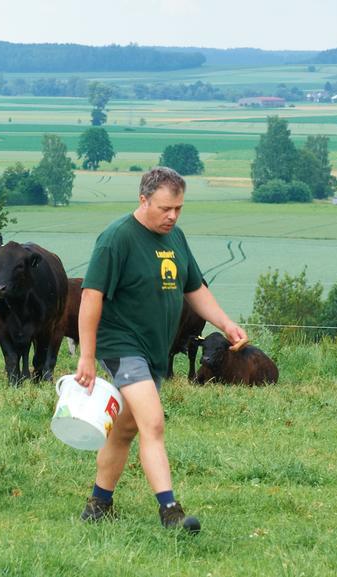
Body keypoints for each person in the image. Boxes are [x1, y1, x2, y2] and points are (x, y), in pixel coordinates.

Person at [73, 167, 246, 533]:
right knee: (152, 421)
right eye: (165, 208)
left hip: (154, 349)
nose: (172, 216)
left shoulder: (176, 238)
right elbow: (91, 296)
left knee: (125, 428)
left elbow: (194, 287)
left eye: (179, 208)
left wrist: (226, 324)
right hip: (121, 345)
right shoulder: (117, 239)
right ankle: (170, 511)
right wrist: (86, 356)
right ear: (143, 199)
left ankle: (98, 504)